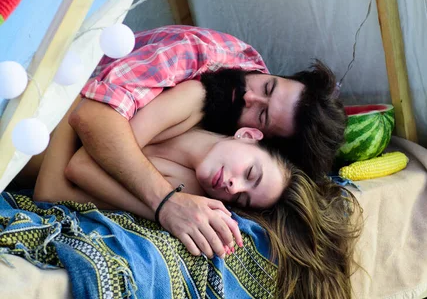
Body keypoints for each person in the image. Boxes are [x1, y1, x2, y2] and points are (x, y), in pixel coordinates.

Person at [66, 25, 346, 259]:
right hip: (66, 71)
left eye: (261, 115)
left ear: (254, 131)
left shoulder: (196, 181)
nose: (250, 97)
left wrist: (169, 205)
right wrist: (164, 204)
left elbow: (65, 179)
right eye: (268, 87)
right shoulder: (201, 77)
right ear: (248, 138)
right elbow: (86, 130)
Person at [29, 114, 360, 299]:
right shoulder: (195, 106)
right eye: (250, 173)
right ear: (248, 135)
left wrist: (165, 206)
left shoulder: (183, 186)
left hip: (34, 132)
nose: (234, 186)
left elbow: (73, 170)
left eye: (241, 198)